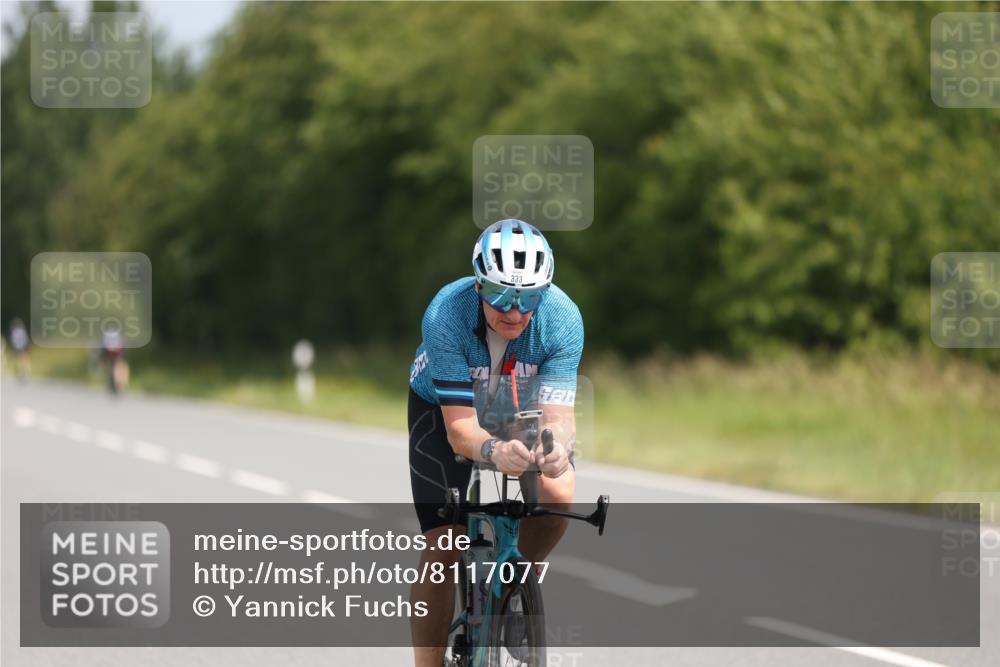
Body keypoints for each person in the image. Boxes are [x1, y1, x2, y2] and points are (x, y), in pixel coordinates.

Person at [407, 218, 583, 666]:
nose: (515, 311)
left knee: (559, 488)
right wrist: (493, 451)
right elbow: (460, 430)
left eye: (528, 298)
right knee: (444, 543)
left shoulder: (562, 319)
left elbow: (560, 419)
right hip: (446, 408)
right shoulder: (447, 312)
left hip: (516, 405)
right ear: (479, 285)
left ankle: (516, 581)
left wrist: (556, 449)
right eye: (502, 295)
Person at [8, 317, 30, 381]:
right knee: (23, 361)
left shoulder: (15, 332)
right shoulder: (22, 331)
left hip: (17, 348)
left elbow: (13, 341)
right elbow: (26, 340)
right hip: (23, 347)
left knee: (18, 361)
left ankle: (20, 373)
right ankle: (24, 373)